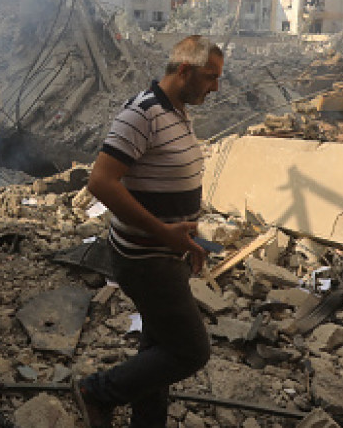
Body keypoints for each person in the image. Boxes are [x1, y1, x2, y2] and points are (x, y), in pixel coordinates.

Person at [73, 35, 223, 428]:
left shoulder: (176, 111)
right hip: (145, 258)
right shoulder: (142, 113)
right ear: (185, 71)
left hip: (166, 251)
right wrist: (165, 234)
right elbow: (101, 183)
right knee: (189, 351)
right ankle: (97, 392)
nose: (216, 87)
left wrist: (186, 241)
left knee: (158, 345)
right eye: (210, 77)